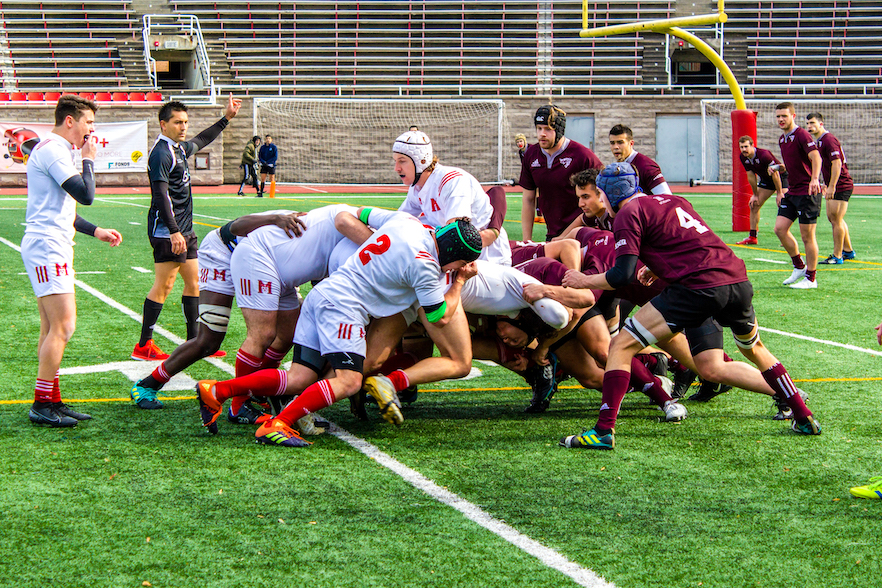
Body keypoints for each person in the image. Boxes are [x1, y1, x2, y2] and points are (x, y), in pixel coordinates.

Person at [557, 162, 821, 450]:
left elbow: (621, 275)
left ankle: (603, 431)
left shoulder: (628, 213)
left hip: (697, 288)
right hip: (736, 280)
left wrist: (582, 280)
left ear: (607, 194)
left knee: (620, 345)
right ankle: (802, 414)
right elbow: (691, 241)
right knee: (728, 360)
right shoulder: (673, 200)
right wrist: (657, 269)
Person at [196, 215, 484, 447]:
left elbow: (361, 214)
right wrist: (459, 281)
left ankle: (216, 390)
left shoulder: (408, 221)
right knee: (349, 382)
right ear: (452, 254)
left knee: (298, 378)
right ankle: (278, 424)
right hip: (342, 307)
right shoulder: (425, 266)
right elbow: (440, 318)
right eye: (460, 262)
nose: (458, 268)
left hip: (324, 295)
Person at [129, 211, 306, 411]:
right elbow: (236, 225)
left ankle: (259, 389)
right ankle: (147, 384)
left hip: (269, 265)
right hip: (224, 252)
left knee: (288, 332)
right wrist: (274, 218)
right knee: (210, 340)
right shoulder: (312, 227)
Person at [21, 95, 123, 427]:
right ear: (70, 121)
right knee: (64, 326)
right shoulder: (53, 149)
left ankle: (51, 398)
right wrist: (89, 160)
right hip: (48, 246)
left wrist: (96, 232)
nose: (91, 130)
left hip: (51, 243)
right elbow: (86, 195)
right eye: (88, 123)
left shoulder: (57, 149)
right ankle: (41, 403)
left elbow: (65, 210)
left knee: (51, 327)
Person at [132, 94, 241, 361]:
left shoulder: (179, 148)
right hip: (167, 231)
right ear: (163, 124)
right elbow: (161, 196)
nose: (184, 127)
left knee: (194, 283)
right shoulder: (161, 153)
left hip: (185, 229)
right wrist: (173, 231)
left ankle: (196, 343)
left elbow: (202, 139)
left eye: (186, 122)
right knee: (164, 285)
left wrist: (226, 118)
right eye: (178, 122)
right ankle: (143, 345)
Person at [394, 130, 511, 266]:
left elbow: (456, 236)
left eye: (402, 161)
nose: (396, 168)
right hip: (460, 258)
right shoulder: (417, 188)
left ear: (421, 161)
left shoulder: (452, 181)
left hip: (488, 259)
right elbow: (398, 221)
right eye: (395, 161)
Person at [518, 105, 604, 241]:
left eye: (548, 129)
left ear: (559, 130)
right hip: (553, 233)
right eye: (539, 128)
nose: (542, 134)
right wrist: (527, 240)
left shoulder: (582, 155)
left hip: (583, 232)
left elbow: (604, 191)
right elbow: (528, 199)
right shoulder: (531, 154)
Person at [774, 102, 823, 290]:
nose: (780, 119)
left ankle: (811, 278)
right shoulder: (782, 139)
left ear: (793, 116)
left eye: (784, 116)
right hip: (792, 191)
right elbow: (793, 164)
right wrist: (779, 170)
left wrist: (815, 179)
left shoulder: (801, 134)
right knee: (780, 228)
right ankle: (799, 266)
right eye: (778, 116)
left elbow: (816, 157)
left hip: (807, 192)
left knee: (807, 236)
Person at [805, 112, 856, 264]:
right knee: (835, 218)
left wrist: (832, 185)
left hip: (841, 184)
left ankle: (837, 256)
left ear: (821, 123)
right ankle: (848, 251)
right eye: (807, 123)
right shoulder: (820, 141)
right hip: (835, 184)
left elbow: (837, 163)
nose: (809, 126)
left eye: (812, 123)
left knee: (836, 219)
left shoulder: (828, 139)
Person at [736, 136, 788, 245]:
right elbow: (751, 176)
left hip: (781, 178)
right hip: (766, 180)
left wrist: (779, 193)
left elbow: (776, 173)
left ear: (752, 145)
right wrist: (755, 194)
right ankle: (752, 237)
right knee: (754, 204)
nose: (744, 149)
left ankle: (785, 237)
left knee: (784, 205)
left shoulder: (764, 155)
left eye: (746, 146)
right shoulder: (743, 157)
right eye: (741, 147)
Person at [608, 124, 672, 195]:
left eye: (620, 142)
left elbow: (666, 197)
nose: (615, 147)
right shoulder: (618, 166)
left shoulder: (646, 166)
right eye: (612, 143)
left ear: (631, 143)